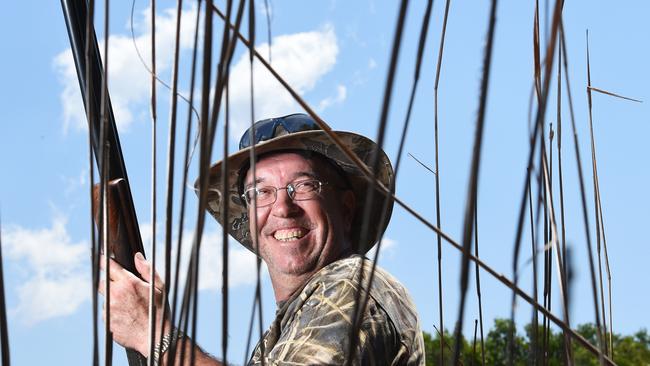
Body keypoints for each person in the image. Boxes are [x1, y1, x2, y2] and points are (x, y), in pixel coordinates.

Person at [99, 113, 425, 365]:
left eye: (305, 186)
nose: (283, 207)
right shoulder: (287, 326)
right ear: (250, 218)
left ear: (346, 208)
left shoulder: (350, 285)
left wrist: (156, 336)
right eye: (260, 192)